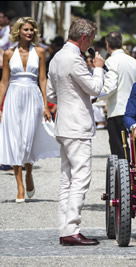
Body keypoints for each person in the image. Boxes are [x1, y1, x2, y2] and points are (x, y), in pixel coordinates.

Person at [47, 18, 105, 246]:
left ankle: (65, 227)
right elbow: (94, 88)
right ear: (84, 38)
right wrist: (98, 69)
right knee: (80, 178)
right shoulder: (74, 59)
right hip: (77, 126)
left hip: (63, 123)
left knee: (67, 178)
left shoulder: (57, 57)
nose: (90, 44)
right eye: (90, 40)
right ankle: (71, 229)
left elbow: (51, 95)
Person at [0, 17, 59, 202]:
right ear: (19, 31)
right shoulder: (8, 53)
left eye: (32, 30)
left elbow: (42, 79)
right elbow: (4, 82)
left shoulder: (40, 51)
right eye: (26, 29)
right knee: (15, 140)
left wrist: (46, 105)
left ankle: (29, 173)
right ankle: (19, 185)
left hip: (33, 97)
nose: (29, 32)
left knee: (28, 139)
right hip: (13, 97)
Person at [98, 32, 136, 160]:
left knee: (119, 149)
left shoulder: (110, 61)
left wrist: (95, 97)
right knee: (134, 147)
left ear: (107, 45)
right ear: (121, 43)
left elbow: (110, 87)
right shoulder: (134, 61)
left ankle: (123, 178)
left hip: (117, 110)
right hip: (134, 110)